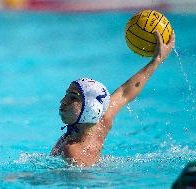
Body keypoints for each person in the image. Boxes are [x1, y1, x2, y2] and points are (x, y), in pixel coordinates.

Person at [50, 30, 175, 167]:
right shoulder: (101, 122)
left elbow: (125, 92)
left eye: (73, 97)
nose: (63, 101)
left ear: (91, 108)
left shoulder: (73, 151)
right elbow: (124, 92)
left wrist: (157, 60)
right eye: (66, 95)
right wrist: (156, 61)